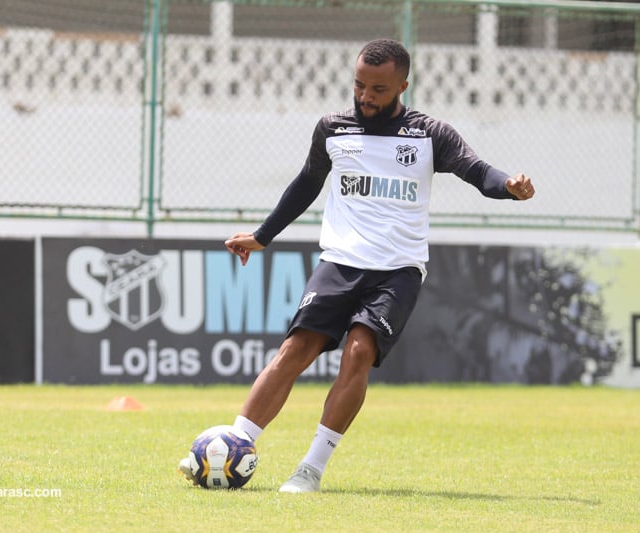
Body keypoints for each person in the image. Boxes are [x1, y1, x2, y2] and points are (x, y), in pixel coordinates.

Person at [179, 38, 535, 493]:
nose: (366, 97)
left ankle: (310, 468)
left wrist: (510, 185)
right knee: (296, 349)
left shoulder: (430, 134)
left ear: (403, 85)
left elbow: (477, 171)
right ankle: (236, 443)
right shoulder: (333, 128)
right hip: (340, 261)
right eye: (359, 85)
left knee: (360, 351)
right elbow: (306, 183)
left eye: (379, 89)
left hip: (399, 269)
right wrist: (262, 236)